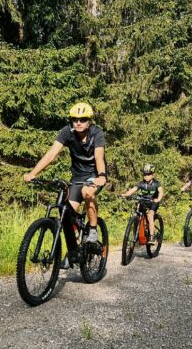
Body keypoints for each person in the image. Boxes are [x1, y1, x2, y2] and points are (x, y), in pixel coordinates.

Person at [23, 102, 107, 267]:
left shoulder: (97, 133)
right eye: (75, 119)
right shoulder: (66, 132)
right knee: (67, 213)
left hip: (95, 176)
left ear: (89, 121)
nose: (78, 122)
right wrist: (33, 173)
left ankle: (92, 230)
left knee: (88, 193)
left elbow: (99, 157)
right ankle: (73, 250)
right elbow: (51, 154)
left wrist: (102, 176)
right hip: (76, 178)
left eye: (83, 119)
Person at [120, 164, 164, 237]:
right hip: (144, 201)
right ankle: (136, 236)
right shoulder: (141, 183)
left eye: (148, 174)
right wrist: (126, 194)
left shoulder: (156, 183)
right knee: (136, 214)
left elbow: (161, 192)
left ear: (153, 175)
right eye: (145, 174)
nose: (146, 176)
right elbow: (133, 189)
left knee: (150, 216)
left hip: (153, 202)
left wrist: (158, 199)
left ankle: (152, 236)